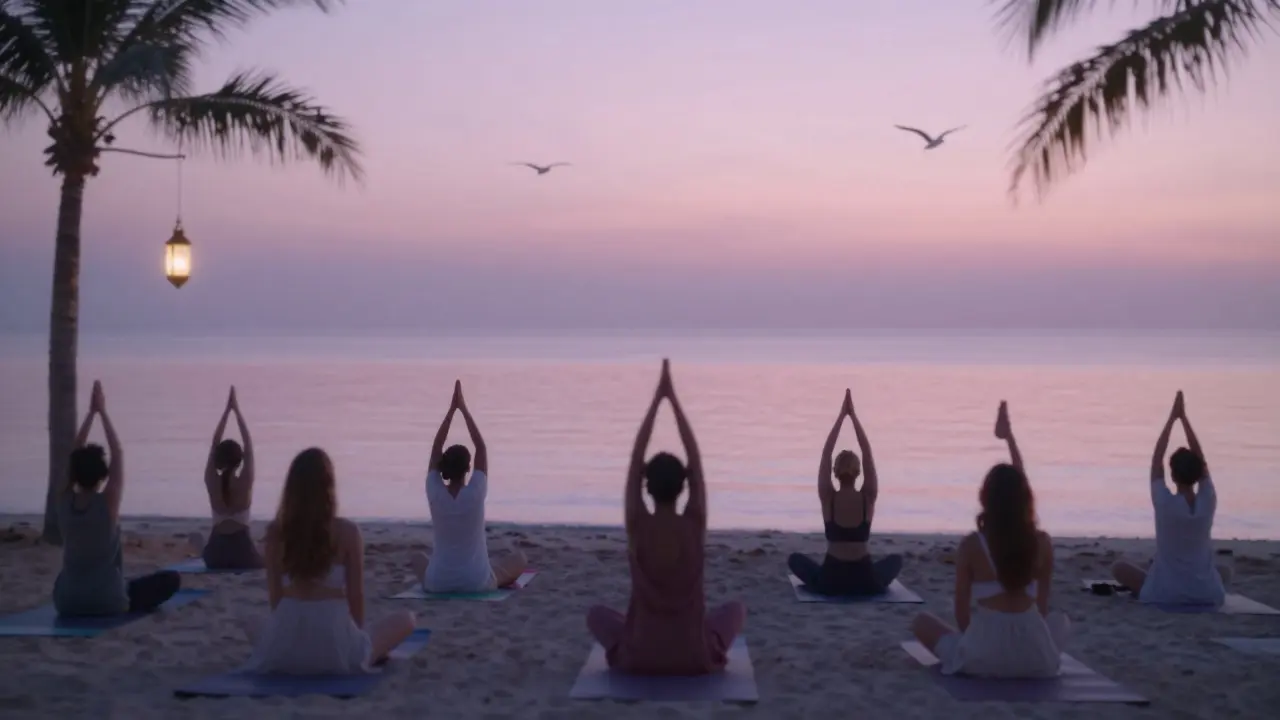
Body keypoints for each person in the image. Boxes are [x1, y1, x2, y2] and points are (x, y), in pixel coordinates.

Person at [586, 359, 746, 676]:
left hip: (639, 655)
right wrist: (673, 400)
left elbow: (635, 459)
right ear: (685, 484)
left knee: (596, 615)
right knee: (736, 610)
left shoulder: (637, 524)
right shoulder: (694, 522)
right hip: (693, 655)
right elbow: (696, 460)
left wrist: (656, 400)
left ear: (645, 484)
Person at [910, 401, 1068, 678]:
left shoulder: (973, 545)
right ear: (1026, 499)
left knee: (922, 622)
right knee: (1060, 622)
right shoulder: (1041, 543)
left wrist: (981, 642)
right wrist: (1009, 438)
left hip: (981, 658)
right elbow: (1041, 611)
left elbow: (961, 616)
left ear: (986, 498)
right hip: (1035, 658)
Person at [246, 448, 416, 674]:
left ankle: (293, 651)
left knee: (250, 622)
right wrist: (355, 640)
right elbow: (356, 598)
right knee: (408, 619)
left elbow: (276, 600)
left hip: (284, 650)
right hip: (335, 650)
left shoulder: (276, 533)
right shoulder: (347, 532)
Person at [53, 381, 181, 616]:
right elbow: (118, 453)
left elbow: (74, 453)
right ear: (103, 476)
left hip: (66, 601)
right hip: (107, 600)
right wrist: (102, 412)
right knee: (170, 580)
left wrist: (91, 414)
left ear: (73, 474)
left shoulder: (63, 503)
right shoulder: (107, 504)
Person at [1111, 391, 1230, 606]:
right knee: (1225, 571)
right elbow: (1200, 459)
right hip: (1208, 594)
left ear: (1172, 475)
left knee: (1119, 568)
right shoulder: (1208, 500)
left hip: (1165, 594)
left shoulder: (1165, 503)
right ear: (1198, 475)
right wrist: (1184, 419)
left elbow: (1157, 458)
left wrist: (1172, 418)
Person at [410, 380, 527, 593]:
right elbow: (481, 447)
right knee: (520, 559)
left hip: (438, 583)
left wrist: (451, 411)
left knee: (417, 558)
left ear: (442, 468)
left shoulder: (434, 491)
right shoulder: (475, 492)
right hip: (477, 583)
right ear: (468, 469)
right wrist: (463, 409)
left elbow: (436, 446)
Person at [788, 388, 903, 596]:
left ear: (835, 471)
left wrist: (842, 416)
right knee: (897, 560)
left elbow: (826, 453)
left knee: (794, 560)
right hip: (866, 581)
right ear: (859, 472)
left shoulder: (827, 497)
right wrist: (853, 417)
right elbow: (867, 452)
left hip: (832, 580)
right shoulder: (868, 497)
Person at [189, 387, 263, 570]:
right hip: (244, 555)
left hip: (216, 555)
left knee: (195, 538)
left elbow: (214, 443)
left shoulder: (211, 479)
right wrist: (236, 410)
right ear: (240, 460)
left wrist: (226, 412)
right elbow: (249, 443)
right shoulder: (245, 481)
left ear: (218, 459)